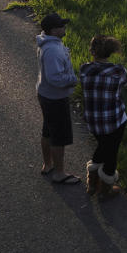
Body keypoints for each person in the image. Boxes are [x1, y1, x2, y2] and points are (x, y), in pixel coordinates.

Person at [80, 35, 127, 198]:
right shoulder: (118, 71)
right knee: (111, 152)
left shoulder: (84, 69)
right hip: (113, 121)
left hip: (93, 121)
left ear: (92, 52)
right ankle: (105, 190)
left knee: (102, 146)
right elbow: (125, 84)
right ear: (110, 52)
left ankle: (92, 182)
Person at [36, 12, 80, 185]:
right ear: (54, 30)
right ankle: (59, 173)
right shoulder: (53, 50)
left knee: (47, 130)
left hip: (45, 93)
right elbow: (55, 78)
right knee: (58, 135)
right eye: (62, 26)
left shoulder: (46, 41)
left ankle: (48, 164)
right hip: (55, 98)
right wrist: (74, 80)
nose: (64, 27)